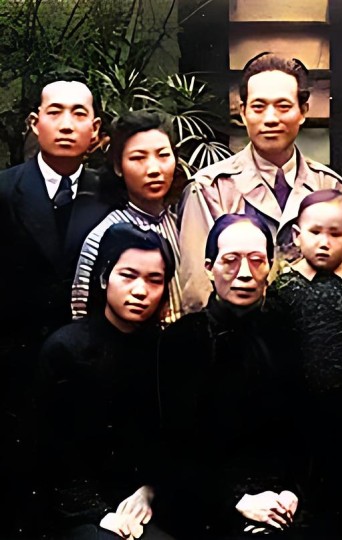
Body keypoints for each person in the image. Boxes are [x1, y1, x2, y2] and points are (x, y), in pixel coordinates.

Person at [0, 79, 111, 536]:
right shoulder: (5, 190)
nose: (67, 124)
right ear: (34, 122)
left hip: (88, 370)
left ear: (95, 129)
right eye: (55, 112)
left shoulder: (110, 193)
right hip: (14, 373)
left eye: (79, 114)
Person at [157, 214, 304, 539]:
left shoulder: (285, 331)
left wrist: (292, 492)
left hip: (280, 500)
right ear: (209, 267)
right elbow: (175, 450)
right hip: (208, 503)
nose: (245, 274)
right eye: (230, 261)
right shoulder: (182, 340)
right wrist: (237, 501)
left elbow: (300, 431)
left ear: (270, 266)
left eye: (257, 261)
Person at [178, 53, 342, 314]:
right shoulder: (210, 188)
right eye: (258, 107)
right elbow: (198, 290)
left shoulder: (329, 186)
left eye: (283, 106)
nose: (270, 118)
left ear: (303, 111)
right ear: (243, 112)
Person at [35, 223, 175, 540]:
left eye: (154, 280)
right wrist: (99, 514)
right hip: (75, 508)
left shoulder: (166, 349)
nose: (140, 291)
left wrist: (150, 490)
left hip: (146, 502)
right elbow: (51, 457)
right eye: (128, 275)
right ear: (103, 277)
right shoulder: (66, 350)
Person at [266, 189, 342, 537]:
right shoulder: (283, 289)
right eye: (315, 232)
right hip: (300, 413)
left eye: (335, 234)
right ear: (297, 235)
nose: (324, 242)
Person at [72, 110, 182, 324]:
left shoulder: (181, 223)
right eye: (138, 158)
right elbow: (80, 312)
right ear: (118, 167)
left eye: (163, 155)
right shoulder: (103, 236)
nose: (153, 169)